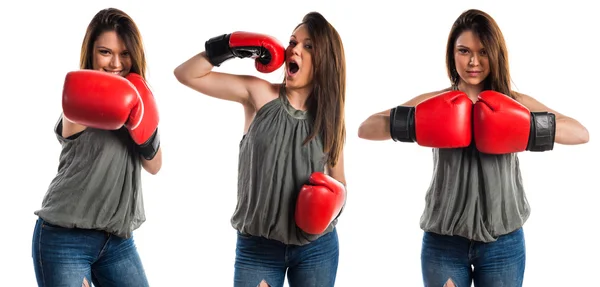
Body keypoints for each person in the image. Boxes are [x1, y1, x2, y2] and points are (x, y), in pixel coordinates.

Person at [358, 8, 589, 287]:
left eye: (482, 52)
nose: (473, 62)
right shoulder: (435, 102)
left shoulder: (515, 103)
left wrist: (525, 127)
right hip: (443, 241)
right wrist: (418, 123)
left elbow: (581, 133)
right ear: (452, 54)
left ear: (495, 53)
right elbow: (366, 128)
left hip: (503, 243)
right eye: (464, 51)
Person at [174, 11, 347, 287]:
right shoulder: (258, 94)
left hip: (316, 248)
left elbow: (340, 181)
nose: (294, 49)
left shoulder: (330, 118)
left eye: (308, 45)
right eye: (293, 42)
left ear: (325, 60)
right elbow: (186, 74)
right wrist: (230, 47)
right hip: (258, 248)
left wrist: (330, 205)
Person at [31, 8, 162, 287]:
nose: (116, 63)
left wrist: (140, 111)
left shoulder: (137, 100)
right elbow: (72, 118)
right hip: (65, 239)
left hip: (117, 243)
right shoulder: (79, 99)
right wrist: (127, 103)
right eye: (105, 52)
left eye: (124, 54)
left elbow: (154, 165)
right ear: (90, 53)